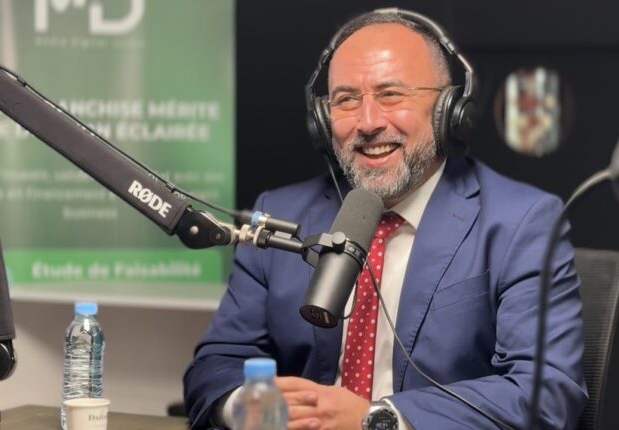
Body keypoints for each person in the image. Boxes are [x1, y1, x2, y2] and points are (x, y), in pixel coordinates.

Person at [184, 9, 587, 430]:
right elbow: (214, 366)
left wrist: (377, 419)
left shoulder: (522, 221)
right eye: (346, 100)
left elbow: (545, 393)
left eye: (391, 95)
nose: (368, 122)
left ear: (448, 109)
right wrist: (248, 407)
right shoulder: (281, 216)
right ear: (321, 119)